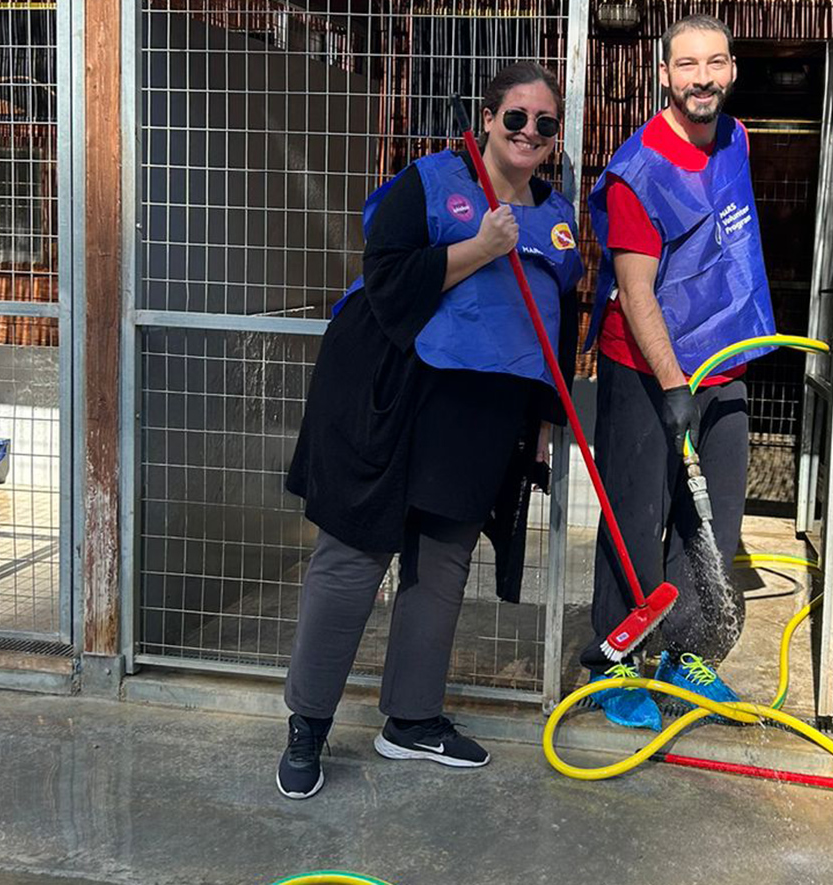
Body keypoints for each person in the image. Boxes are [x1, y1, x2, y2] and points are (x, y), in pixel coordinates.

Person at [277, 62, 582, 799]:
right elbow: (385, 280)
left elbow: (560, 324)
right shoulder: (429, 183)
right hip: (389, 391)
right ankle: (308, 723)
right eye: (516, 118)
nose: (529, 133)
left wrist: (545, 420)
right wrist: (480, 246)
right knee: (354, 554)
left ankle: (411, 719)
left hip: (480, 412)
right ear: (487, 119)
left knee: (442, 562)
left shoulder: (558, 219)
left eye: (544, 123)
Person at [579, 15, 776, 729]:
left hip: (722, 359)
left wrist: (711, 373)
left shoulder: (736, 137)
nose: (702, 78)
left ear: (731, 70)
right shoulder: (640, 173)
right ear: (664, 75)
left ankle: (686, 656)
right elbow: (636, 292)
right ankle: (615, 660)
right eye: (687, 65)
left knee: (712, 516)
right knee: (636, 516)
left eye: (715, 62)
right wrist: (670, 388)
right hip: (646, 367)